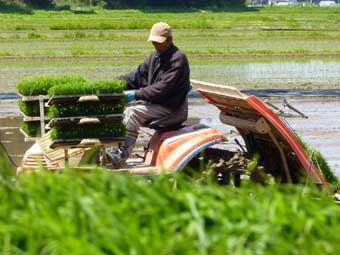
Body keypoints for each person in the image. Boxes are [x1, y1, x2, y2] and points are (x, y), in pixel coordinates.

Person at [107, 22, 191, 164]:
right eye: (153, 42)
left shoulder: (177, 58)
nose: (156, 45)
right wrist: (115, 84)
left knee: (132, 112)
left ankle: (121, 155)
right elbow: (137, 77)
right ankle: (112, 147)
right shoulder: (155, 57)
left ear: (169, 40)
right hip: (157, 104)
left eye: (159, 42)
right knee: (120, 111)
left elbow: (162, 89)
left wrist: (134, 94)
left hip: (171, 108)